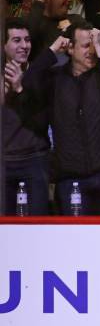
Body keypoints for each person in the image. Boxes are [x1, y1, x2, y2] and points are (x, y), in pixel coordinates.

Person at [22, 20, 100, 215]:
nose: (92, 51)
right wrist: (52, 51)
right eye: (86, 46)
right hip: (70, 180)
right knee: (74, 243)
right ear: (70, 48)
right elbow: (28, 82)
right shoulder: (55, 79)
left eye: (94, 45)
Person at [2, 18, 50, 215]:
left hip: (34, 160)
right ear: (4, 45)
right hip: (4, 162)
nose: (24, 45)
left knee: (38, 226)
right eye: (16, 40)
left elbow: (41, 121)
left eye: (27, 40)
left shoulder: (41, 75)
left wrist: (20, 88)